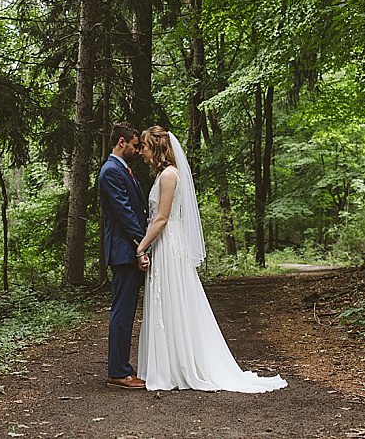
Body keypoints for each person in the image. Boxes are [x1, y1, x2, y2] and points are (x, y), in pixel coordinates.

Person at [135, 126, 288, 393]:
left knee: (173, 300)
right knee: (167, 302)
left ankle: (181, 365)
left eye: (146, 147)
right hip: (164, 244)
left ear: (157, 147)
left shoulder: (169, 175)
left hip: (169, 245)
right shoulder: (162, 175)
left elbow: (161, 218)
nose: (142, 152)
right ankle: (168, 364)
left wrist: (141, 248)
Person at [97, 122, 149, 389]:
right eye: (135, 145)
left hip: (128, 249)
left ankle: (121, 368)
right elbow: (124, 212)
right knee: (122, 310)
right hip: (123, 251)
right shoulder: (110, 172)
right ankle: (118, 371)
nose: (138, 150)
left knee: (127, 310)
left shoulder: (121, 170)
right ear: (121, 142)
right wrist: (141, 244)